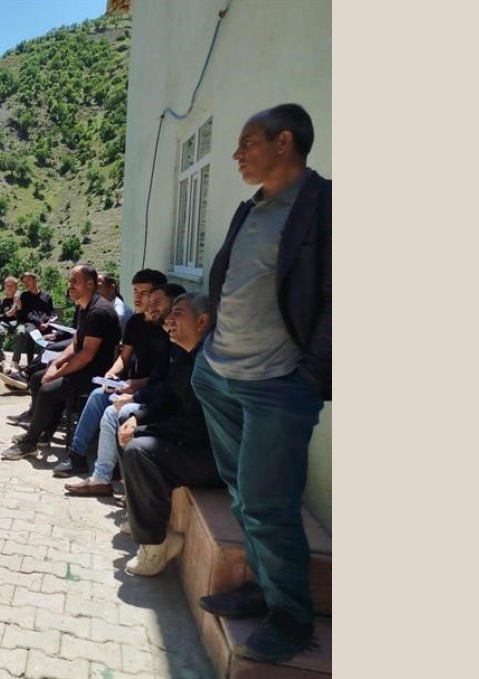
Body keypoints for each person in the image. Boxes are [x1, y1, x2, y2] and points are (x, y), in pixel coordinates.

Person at [190, 103, 331, 664]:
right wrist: (201, 327)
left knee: (271, 506)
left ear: (284, 142)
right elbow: (234, 284)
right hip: (220, 374)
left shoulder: (326, 208)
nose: (237, 154)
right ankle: (259, 589)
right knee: (245, 496)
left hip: (276, 384)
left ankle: (293, 619)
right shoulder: (252, 208)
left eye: (247, 142)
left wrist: (311, 376)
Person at [116, 293, 221, 576]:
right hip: (192, 441)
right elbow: (168, 400)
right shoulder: (185, 356)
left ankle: (154, 546)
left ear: (201, 321)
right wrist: (137, 418)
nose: (169, 320)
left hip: (216, 459)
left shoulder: (212, 365)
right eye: (170, 313)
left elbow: (195, 426)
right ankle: (141, 517)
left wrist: (144, 428)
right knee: (124, 420)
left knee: (140, 450)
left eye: (178, 313)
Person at [56, 281, 183, 481]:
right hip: (134, 385)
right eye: (136, 292)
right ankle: (77, 456)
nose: (143, 300)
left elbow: (166, 380)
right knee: (98, 395)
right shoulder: (135, 322)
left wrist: (135, 389)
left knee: (114, 410)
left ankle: (107, 474)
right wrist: (112, 374)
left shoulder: (171, 333)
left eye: (148, 295)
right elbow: (124, 358)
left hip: (149, 392)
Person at [2, 264, 120, 460]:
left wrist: (57, 373)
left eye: (75, 281)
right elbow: (75, 344)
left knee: (49, 389)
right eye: (70, 280)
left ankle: (30, 442)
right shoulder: (85, 307)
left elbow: (87, 354)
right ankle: (43, 434)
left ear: (90, 284)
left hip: (96, 374)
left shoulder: (99, 311)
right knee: (38, 378)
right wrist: (56, 364)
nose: (70, 285)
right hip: (85, 365)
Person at [6, 272, 54, 373]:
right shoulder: (24, 296)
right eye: (24, 282)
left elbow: (51, 312)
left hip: (46, 324)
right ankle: (31, 364)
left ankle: (47, 363)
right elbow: (26, 313)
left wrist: (49, 322)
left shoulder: (46, 295)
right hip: (31, 323)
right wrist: (39, 323)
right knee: (31, 333)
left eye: (28, 280)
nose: (25, 283)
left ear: (35, 280)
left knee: (55, 334)